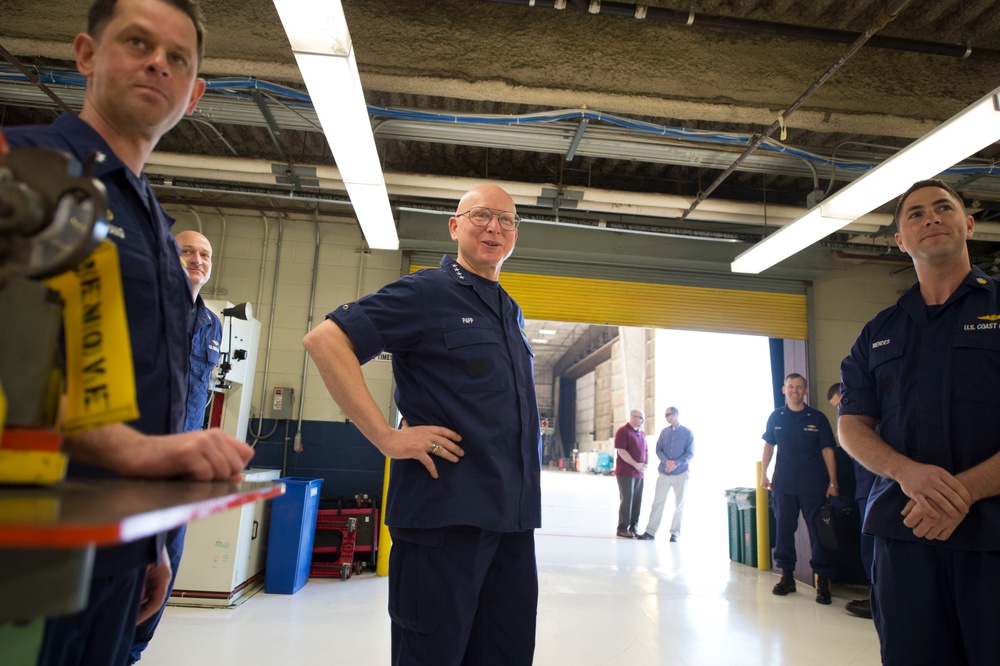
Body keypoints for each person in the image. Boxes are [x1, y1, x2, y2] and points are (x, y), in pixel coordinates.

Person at [4, 1, 254, 664]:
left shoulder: (153, 224)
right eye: (137, 43)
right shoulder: (22, 165)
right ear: (87, 54)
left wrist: (148, 547)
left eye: (178, 59)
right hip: (22, 558)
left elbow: (153, 392)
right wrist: (123, 451)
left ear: (194, 95)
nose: (157, 64)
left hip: (117, 559)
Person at [302, 184, 541, 665]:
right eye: (481, 215)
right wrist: (387, 437)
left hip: (511, 527)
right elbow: (326, 341)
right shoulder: (426, 292)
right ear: (455, 226)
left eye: (507, 219)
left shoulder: (508, 310)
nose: (494, 227)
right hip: (442, 523)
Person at [839, 179, 1000, 665]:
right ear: (900, 241)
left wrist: (964, 491)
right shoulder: (878, 332)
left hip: (994, 535)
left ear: (968, 224)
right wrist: (909, 474)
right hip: (904, 537)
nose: (930, 217)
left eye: (943, 207)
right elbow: (852, 425)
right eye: (914, 214)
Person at [129, 230, 222, 663]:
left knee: (169, 557)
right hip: (136, 462)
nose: (197, 259)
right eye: (187, 251)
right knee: (127, 562)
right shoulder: (142, 308)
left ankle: (133, 651)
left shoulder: (211, 324)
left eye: (204, 254)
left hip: (181, 472)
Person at [760, 373, 838, 604]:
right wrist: (764, 473)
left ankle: (822, 582)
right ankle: (787, 578)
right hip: (783, 485)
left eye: (799, 387)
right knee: (784, 531)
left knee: (818, 535)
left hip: (813, 486)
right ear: (784, 390)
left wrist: (833, 482)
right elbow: (768, 445)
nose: (794, 390)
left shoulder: (818, 418)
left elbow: (828, 450)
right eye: (790, 386)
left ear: (805, 391)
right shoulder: (776, 417)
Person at [828, 383, 874, 620]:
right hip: (863, 490)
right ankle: (875, 594)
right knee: (867, 545)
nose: (839, 414)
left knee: (873, 546)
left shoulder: (868, 424)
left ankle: (877, 599)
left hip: (873, 490)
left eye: (839, 406)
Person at [637, 406, 693, 542]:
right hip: (664, 473)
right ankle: (650, 532)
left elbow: (689, 453)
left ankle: (675, 533)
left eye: (668, 415)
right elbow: (658, 449)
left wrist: (675, 464)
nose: (666, 417)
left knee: (679, 504)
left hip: (680, 473)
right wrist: (666, 461)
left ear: (675, 415)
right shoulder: (664, 433)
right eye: (665, 415)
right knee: (658, 502)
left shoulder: (687, 433)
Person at [614, 409, 648, 538]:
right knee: (627, 500)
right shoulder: (623, 431)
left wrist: (645, 465)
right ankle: (622, 528)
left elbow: (646, 451)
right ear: (633, 418)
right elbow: (622, 451)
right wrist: (636, 465)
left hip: (639, 473)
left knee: (636, 501)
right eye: (641, 418)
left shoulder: (642, 434)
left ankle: (634, 527)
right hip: (626, 473)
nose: (643, 421)